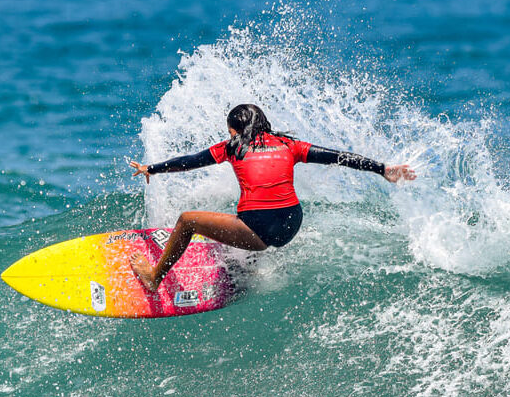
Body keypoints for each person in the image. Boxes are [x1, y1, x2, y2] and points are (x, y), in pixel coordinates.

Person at [128, 103, 416, 292]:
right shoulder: (290, 144)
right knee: (247, 206)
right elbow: (337, 157)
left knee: (188, 220)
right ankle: (249, 266)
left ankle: (154, 279)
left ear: (235, 130)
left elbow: (191, 161)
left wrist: (150, 168)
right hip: (292, 224)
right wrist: (382, 169)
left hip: (259, 231)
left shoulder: (232, 147)